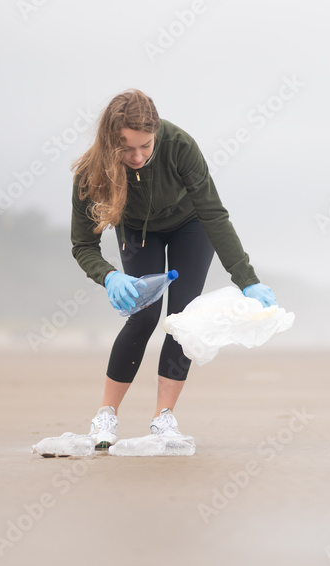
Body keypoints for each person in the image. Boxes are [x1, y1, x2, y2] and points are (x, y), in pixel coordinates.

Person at [68, 89, 277, 451]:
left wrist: (248, 281)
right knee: (143, 317)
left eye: (146, 146)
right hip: (137, 232)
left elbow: (213, 214)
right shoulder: (92, 171)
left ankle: (163, 419)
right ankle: (106, 415)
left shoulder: (180, 146)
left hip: (190, 226)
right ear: (109, 141)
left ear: (156, 134)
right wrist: (109, 276)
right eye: (127, 149)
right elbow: (83, 245)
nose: (137, 157)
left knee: (182, 319)